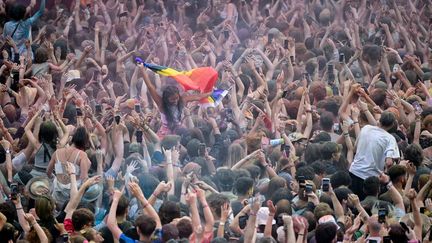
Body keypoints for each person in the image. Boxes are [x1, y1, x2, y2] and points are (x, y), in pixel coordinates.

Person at [349, 111, 400, 199]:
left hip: (354, 171)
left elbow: (355, 148)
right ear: (392, 125)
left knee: (351, 203)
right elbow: (389, 162)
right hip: (371, 179)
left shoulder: (366, 128)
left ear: (379, 121)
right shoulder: (390, 139)